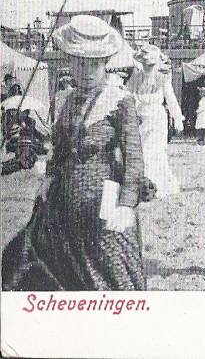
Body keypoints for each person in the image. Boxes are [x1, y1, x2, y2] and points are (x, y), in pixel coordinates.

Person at [2, 15, 147, 290]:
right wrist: (47, 180)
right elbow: (58, 151)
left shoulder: (120, 101)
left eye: (94, 63)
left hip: (104, 204)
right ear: (70, 60)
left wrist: (127, 205)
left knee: (113, 274)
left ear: (105, 62)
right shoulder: (65, 99)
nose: (86, 70)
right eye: (79, 62)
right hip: (64, 201)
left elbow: (134, 160)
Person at [126, 44, 184, 197]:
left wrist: (177, 117)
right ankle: (143, 186)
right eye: (146, 65)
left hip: (157, 118)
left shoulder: (162, 78)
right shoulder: (135, 78)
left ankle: (158, 184)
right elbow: (129, 96)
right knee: (142, 151)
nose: (148, 68)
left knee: (155, 151)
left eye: (150, 65)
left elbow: (170, 98)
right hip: (140, 119)